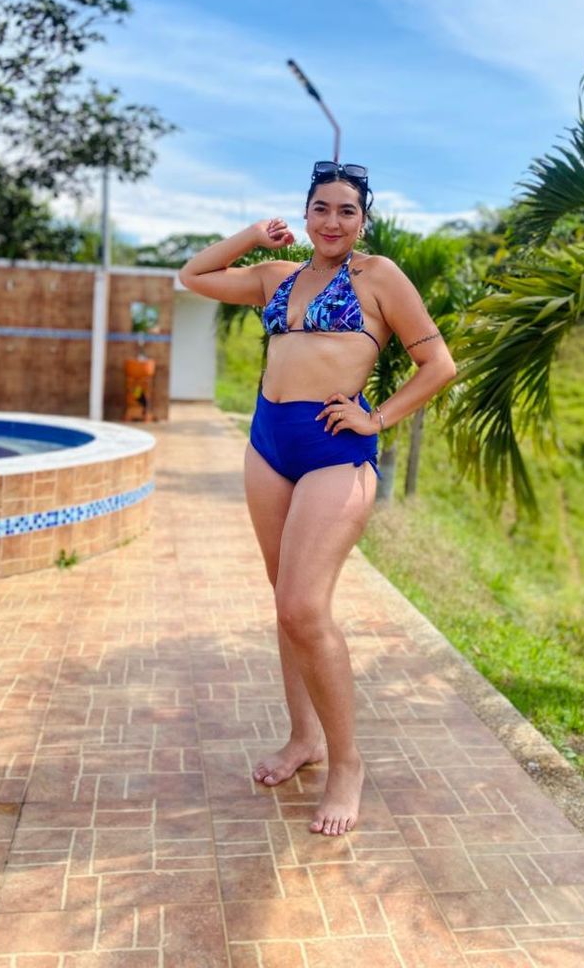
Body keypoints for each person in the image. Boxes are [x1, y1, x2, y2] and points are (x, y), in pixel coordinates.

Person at [179, 161, 456, 835]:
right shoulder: (277, 276)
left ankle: (346, 764)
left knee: (304, 606)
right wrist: (253, 236)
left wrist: (377, 418)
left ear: (364, 220)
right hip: (267, 444)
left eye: (346, 211)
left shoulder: (378, 277)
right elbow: (193, 276)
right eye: (321, 208)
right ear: (304, 215)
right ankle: (303, 738)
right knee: (285, 603)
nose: (333, 221)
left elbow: (439, 365)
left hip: (334, 448)